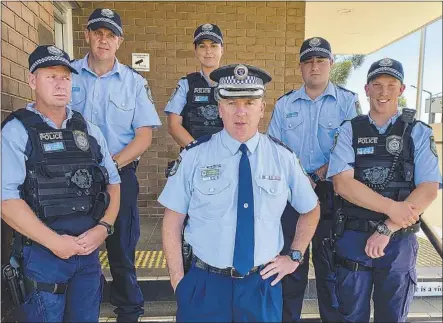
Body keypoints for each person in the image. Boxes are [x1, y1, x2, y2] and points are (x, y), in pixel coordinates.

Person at [159, 64, 321, 322]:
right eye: (232, 102)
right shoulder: (194, 156)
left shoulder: (283, 158)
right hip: (204, 285)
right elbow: (172, 220)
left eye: (249, 102)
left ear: (262, 109)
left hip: (261, 285)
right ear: (220, 109)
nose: (241, 112)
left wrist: (295, 255)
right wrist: (178, 279)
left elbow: (311, 209)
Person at [1, 45, 121, 322]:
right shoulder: (17, 131)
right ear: (33, 81)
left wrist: (104, 228)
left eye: (65, 77)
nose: (60, 84)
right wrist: (55, 242)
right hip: (43, 256)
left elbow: (113, 183)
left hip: (87, 252)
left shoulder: (88, 130)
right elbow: (6, 201)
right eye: (50, 76)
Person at [326, 58, 442, 322]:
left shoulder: (418, 132)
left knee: (392, 316)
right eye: (377, 85)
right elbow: (342, 184)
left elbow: (428, 189)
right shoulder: (349, 130)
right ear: (366, 89)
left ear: (401, 90)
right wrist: (392, 208)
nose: (383, 92)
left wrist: (387, 227)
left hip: (398, 241)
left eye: (391, 85)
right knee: (350, 315)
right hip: (353, 236)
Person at [70, 8, 162, 322]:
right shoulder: (66, 75)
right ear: (87, 35)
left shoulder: (134, 83)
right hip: (72, 180)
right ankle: (85, 307)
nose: (104, 40)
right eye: (98, 33)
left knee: (121, 247)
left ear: (119, 41)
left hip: (120, 175)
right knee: (79, 245)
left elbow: (144, 136)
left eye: (111, 35)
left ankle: (129, 310)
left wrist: (110, 165)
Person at [267, 36, 360, 322]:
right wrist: (298, 178)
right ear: (301, 68)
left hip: (332, 194)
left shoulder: (347, 102)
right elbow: (274, 147)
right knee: (290, 266)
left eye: (320, 61)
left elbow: (349, 147)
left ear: (331, 64)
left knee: (330, 267)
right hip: (291, 196)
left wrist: (316, 175)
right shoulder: (284, 105)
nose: (315, 67)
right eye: (308, 62)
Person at [165, 23, 224, 148]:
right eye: (202, 46)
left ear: (222, 50)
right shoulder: (186, 84)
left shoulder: (232, 83)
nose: (208, 51)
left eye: (213, 46)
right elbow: (173, 125)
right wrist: (198, 151)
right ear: (196, 51)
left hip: (226, 155)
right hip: (193, 155)